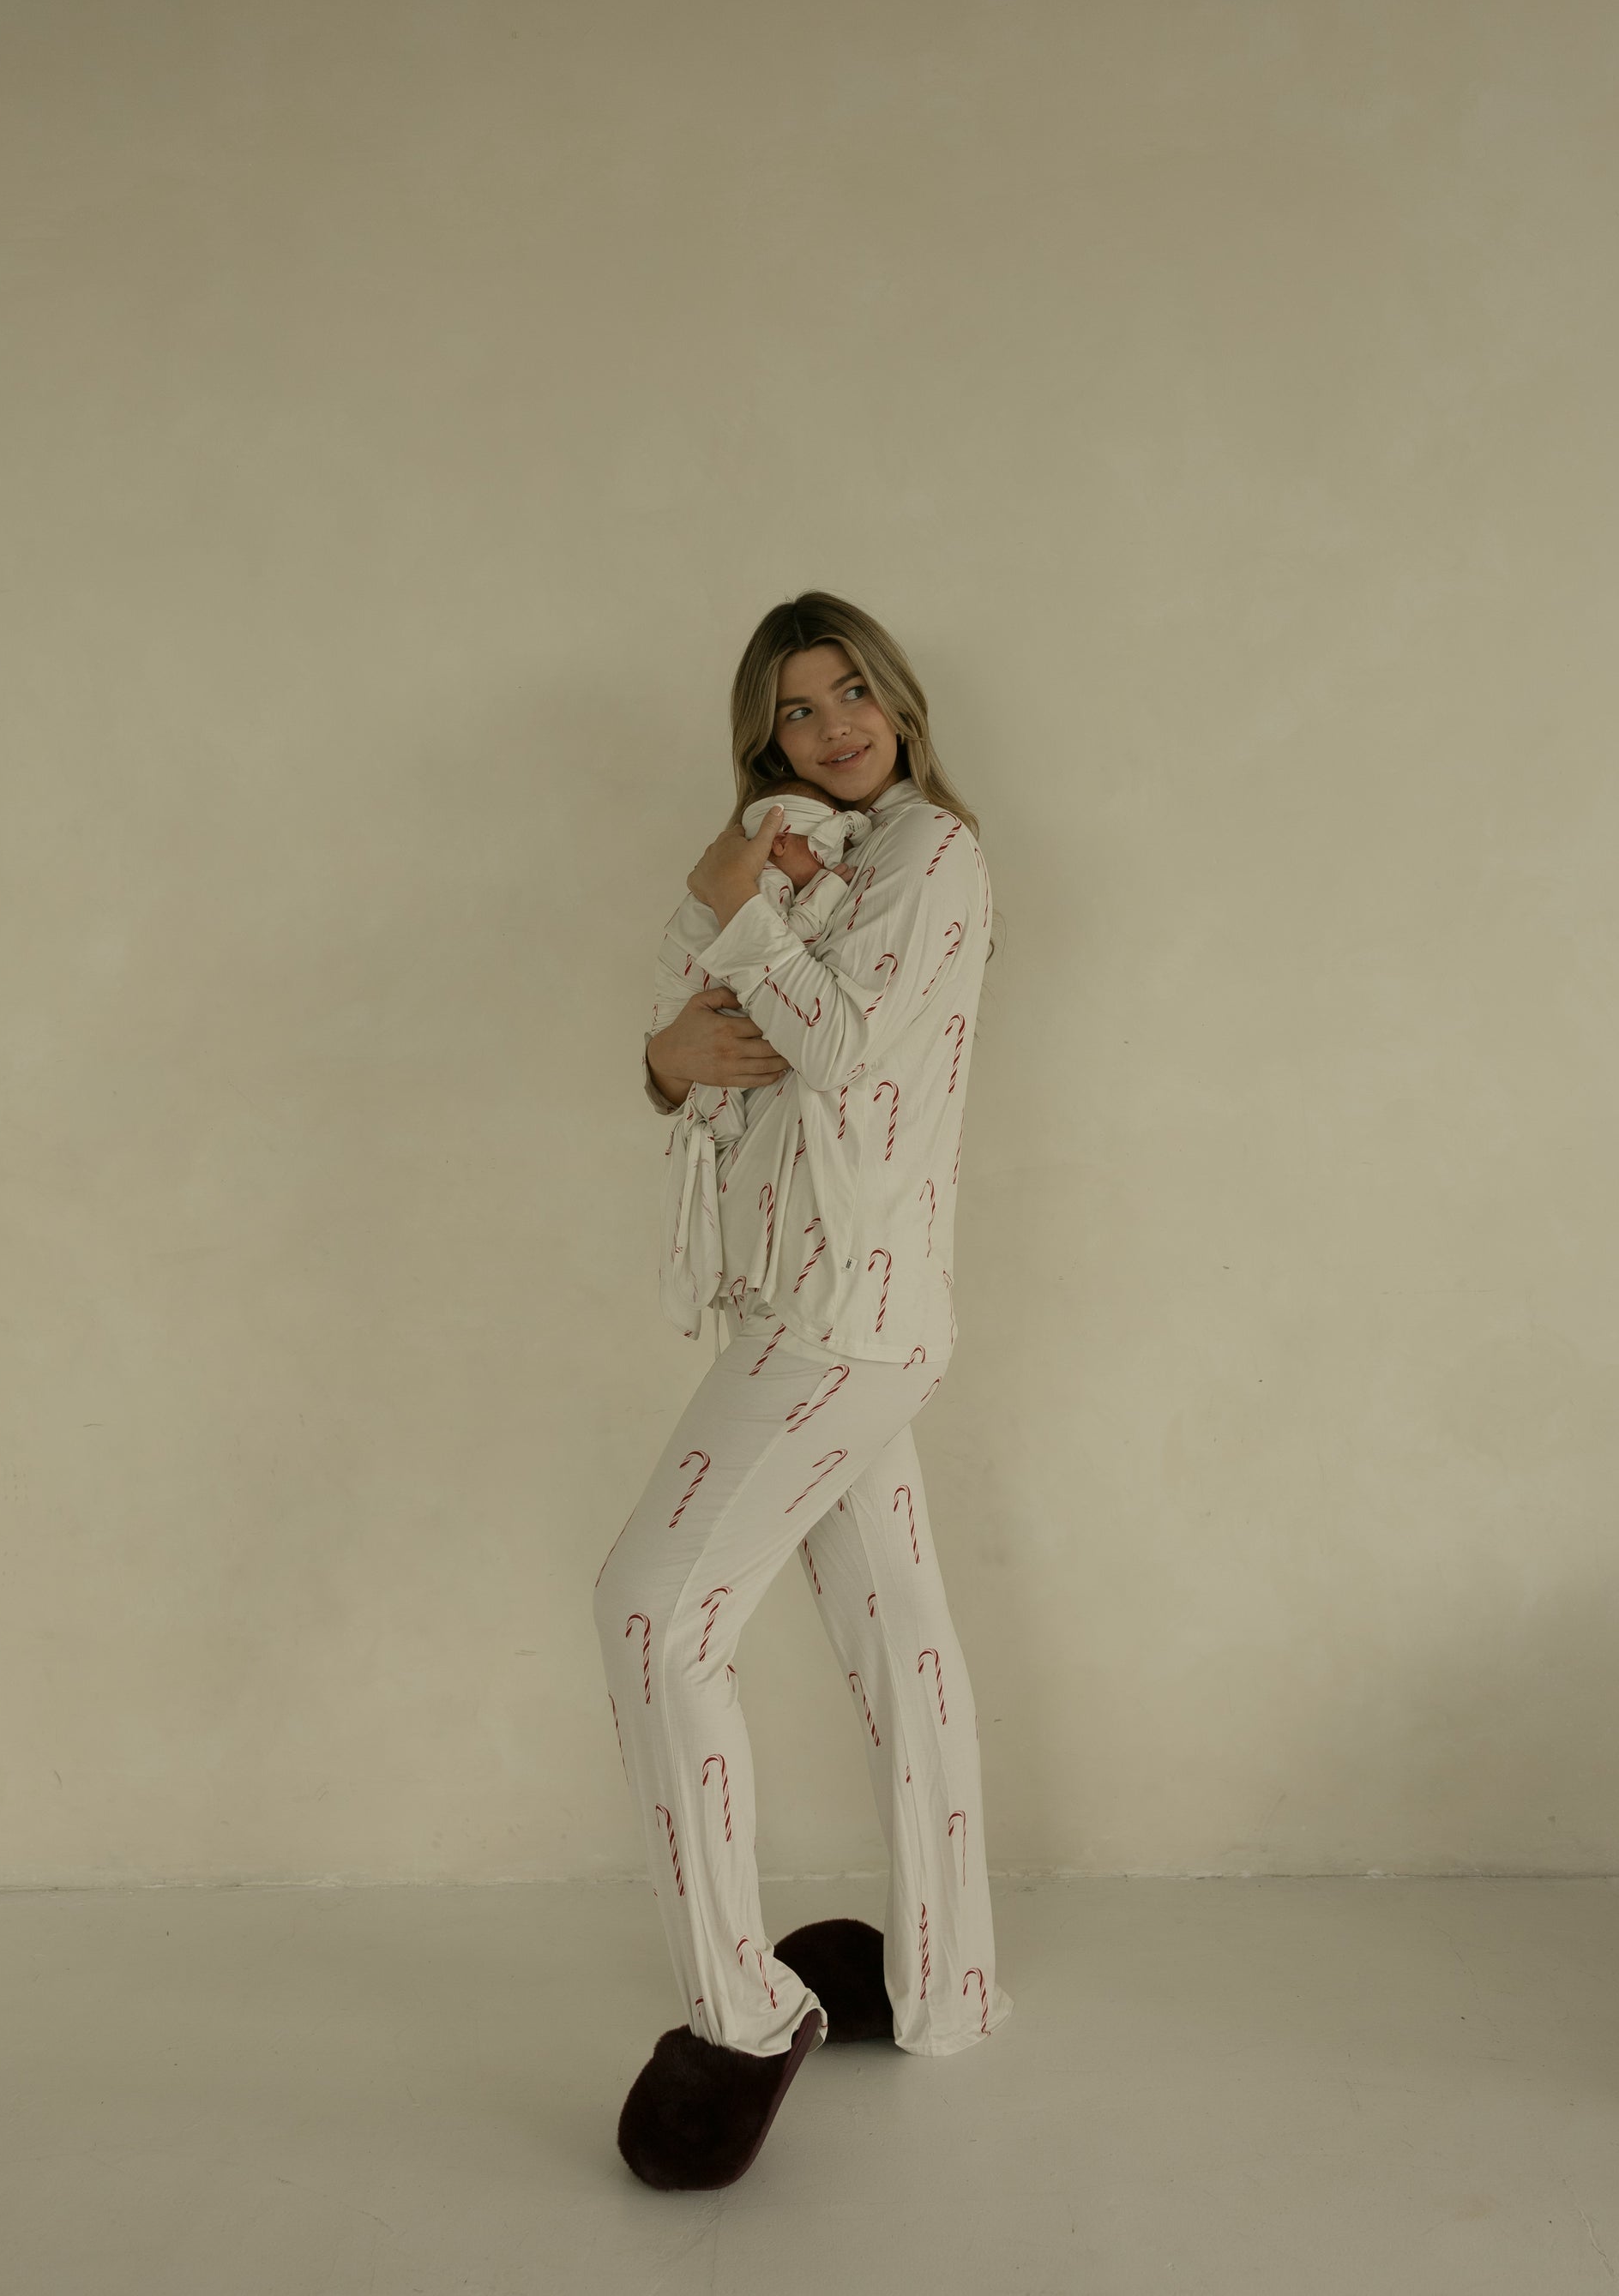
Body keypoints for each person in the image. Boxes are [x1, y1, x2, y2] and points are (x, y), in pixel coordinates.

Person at [594, 591, 1014, 2192]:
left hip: (847, 1316)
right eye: (795, 706)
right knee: (898, 1624)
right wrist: (666, 1054)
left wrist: (735, 915)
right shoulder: (780, 850)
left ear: (898, 699)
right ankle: (946, 1976)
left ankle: (743, 2006)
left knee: (647, 1607)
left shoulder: (935, 858)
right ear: (764, 736)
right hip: (795, 1300)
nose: (832, 723)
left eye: (852, 690)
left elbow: (848, 1059)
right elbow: (681, 1039)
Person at [653, 773, 876, 1339]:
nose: (830, 866)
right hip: (714, 1060)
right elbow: (781, 949)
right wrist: (827, 893)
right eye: (822, 852)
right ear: (779, 841)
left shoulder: (743, 885)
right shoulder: (759, 887)